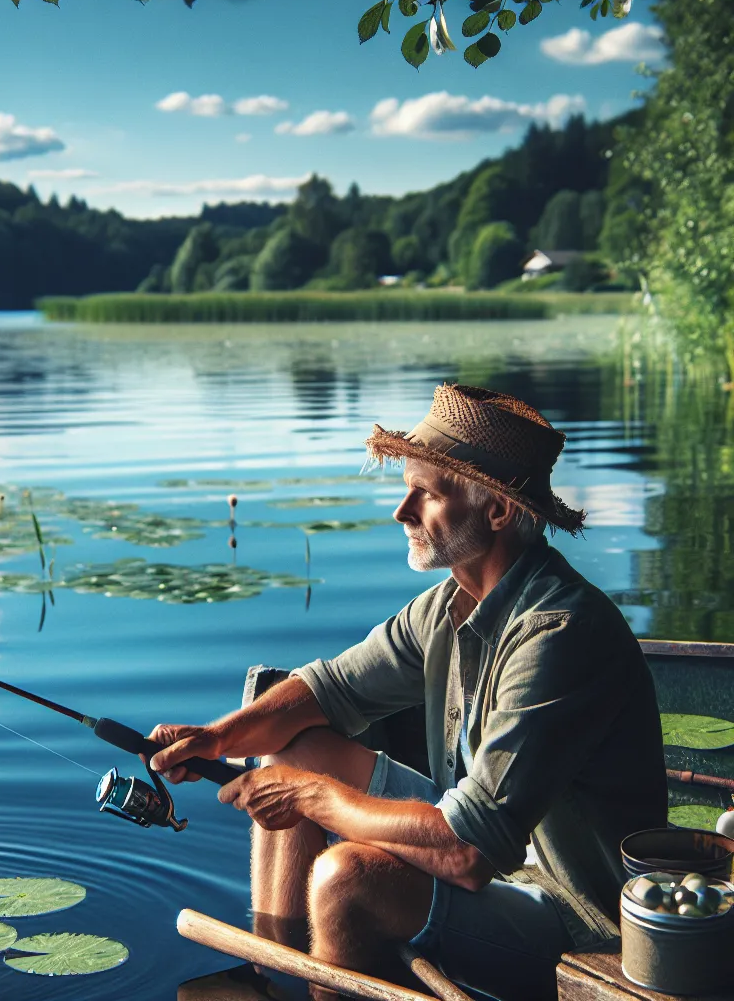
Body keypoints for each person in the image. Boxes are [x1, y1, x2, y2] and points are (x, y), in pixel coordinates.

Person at [152, 383, 667, 1001]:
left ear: (497, 511)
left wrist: (315, 798)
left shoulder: (560, 633)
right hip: (490, 850)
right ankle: (278, 974)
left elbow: (467, 851)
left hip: (576, 919)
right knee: (293, 747)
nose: (402, 511)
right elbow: (327, 688)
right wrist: (215, 738)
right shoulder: (447, 606)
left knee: (345, 879)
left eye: (426, 492)